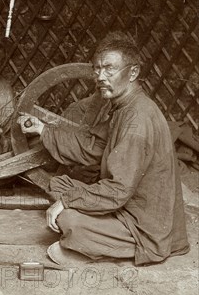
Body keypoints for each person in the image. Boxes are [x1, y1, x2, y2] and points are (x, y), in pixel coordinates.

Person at [18, 31, 189, 266]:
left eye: (109, 69)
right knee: (59, 183)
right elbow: (93, 148)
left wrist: (67, 202)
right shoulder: (123, 107)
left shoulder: (137, 119)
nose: (100, 76)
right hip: (125, 203)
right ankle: (92, 241)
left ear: (133, 72)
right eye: (97, 69)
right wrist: (43, 129)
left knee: (69, 219)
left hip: (141, 222)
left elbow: (118, 189)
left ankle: (104, 248)